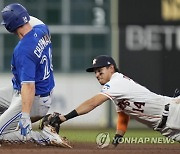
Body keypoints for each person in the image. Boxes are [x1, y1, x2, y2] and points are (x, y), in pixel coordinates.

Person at [49, 55, 180, 146]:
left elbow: (93, 103)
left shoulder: (116, 82)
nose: (97, 75)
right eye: (95, 72)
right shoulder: (116, 89)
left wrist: (64, 118)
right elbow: (123, 115)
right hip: (165, 128)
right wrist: (118, 136)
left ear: (111, 68)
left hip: (173, 113)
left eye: (100, 71)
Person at [0, 3, 70, 148]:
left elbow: (29, 86)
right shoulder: (42, 29)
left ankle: (44, 137)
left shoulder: (23, 50)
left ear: (9, 26)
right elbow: (28, 19)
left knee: (2, 134)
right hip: (29, 92)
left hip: (33, 100)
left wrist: (25, 116)